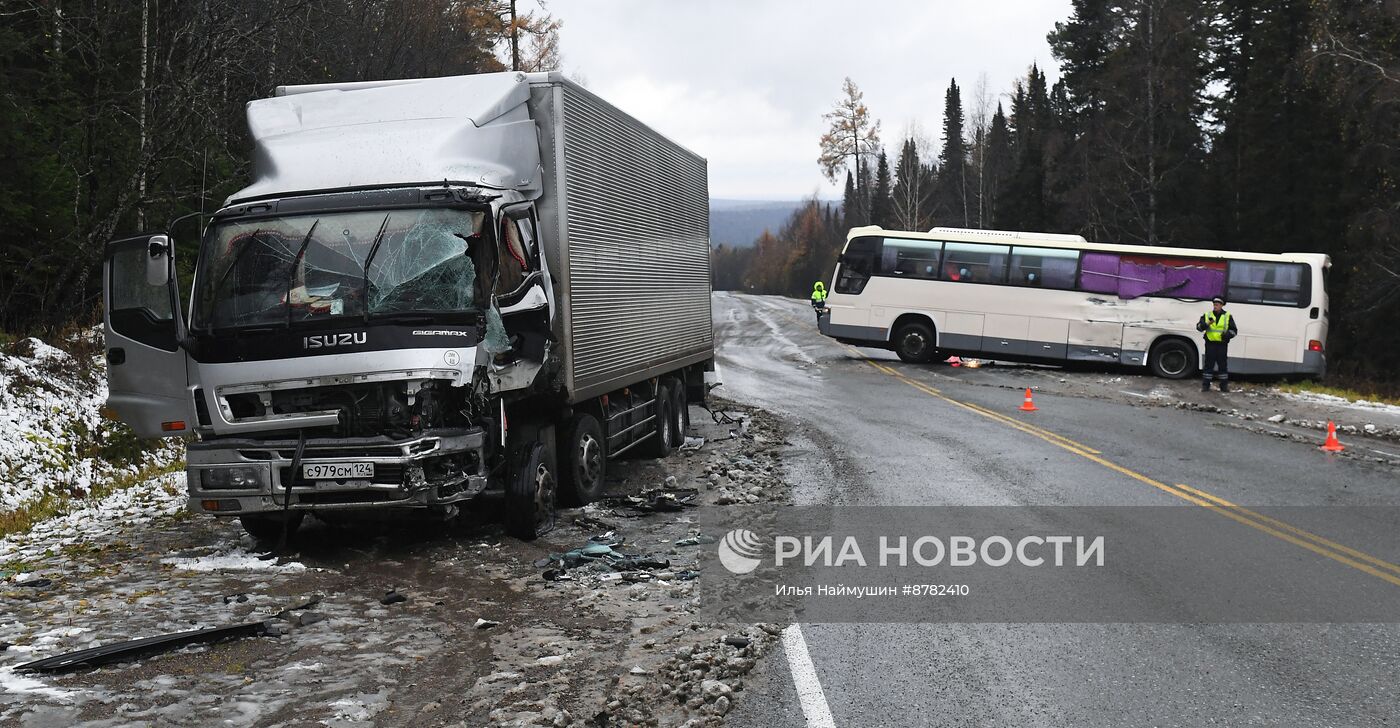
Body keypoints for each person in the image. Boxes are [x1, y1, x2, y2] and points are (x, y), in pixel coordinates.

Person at [1196, 296, 1238, 392]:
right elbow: (1198, 327)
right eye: (1214, 304)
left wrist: (1227, 335)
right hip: (1210, 344)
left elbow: (1234, 331)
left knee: (1222, 366)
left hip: (1222, 345)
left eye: (1217, 305)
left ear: (1222, 305)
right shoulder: (1207, 315)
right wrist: (1207, 324)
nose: (1215, 306)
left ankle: (1224, 387)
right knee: (1208, 365)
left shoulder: (1227, 316)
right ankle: (1205, 386)